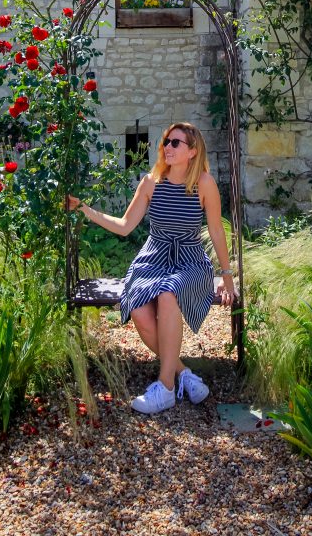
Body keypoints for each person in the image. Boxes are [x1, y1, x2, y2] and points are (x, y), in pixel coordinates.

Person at [68, 122, 236, 415]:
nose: (167, 147)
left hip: (190, 259)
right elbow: (124, 226)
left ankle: (166, 388)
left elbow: (217, 232)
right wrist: (85, 209)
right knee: (139, 308)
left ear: (192, 151)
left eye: (175, 143)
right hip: (153, 258)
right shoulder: (151, 182)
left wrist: (226, 275)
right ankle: (183, 373)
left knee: (168, 293)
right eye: (166, 142)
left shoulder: (204, 184)